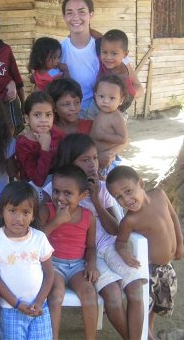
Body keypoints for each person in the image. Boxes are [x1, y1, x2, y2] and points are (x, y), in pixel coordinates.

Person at [44, 134, 147, 339]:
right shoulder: (55, 190)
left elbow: (114, 229)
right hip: (81, 255)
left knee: (135, 289)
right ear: (70, 162)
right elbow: (44, 225)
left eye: (94, 158)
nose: (92, 164)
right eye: (85, 159)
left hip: (109, 247)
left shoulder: (103, 187)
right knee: (114, 295)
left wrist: (97, 199)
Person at [106, 166, 184, 340]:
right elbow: (120, 243)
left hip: (166, 267)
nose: (126, 199)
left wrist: (180, 243)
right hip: (148, 270)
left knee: (157, 304)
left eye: (128, 191)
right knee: (145, 305)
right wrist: (125, 254)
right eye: (119, 197)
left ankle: (148, 330)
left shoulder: (159, 195)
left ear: (140, 183)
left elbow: (173, 217)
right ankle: (147, 336)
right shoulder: (130, 220)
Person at [0, 181, 54, 340]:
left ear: (33, 215)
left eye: (25, 212)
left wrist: (40, 301)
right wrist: (16, 304)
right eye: (13, 210)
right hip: (11, 309)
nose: (18, 218)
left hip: (39, 308)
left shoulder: (39, 238)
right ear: (2, 211)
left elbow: (49, 275)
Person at [60, 0, 143, 119]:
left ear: (91, 14)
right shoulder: (58, 52)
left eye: (82, 11)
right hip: (70, 120)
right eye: (69, 12)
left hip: (105, 117)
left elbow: (138, 89)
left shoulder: (109, 49)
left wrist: (114, 103)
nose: (75, 17)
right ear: (64, 17)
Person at [40, 165, 99, 340]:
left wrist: (92, 264)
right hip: (52, 263)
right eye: (56, 191)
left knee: (89, 293)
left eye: (68, 193)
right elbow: (35, 239)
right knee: (56, 293)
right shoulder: (47, 210)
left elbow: (91, 247)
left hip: (77, 266)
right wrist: (57, 221)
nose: (60, 197)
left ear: (83, 196)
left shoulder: (88, 216)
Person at [16, 91, 65, 196]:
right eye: (37, 115)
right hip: (33, 192)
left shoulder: (58, 135)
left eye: (48, 115)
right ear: (27, 118)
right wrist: (45, 148)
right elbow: (38, 181)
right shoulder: (23, 144)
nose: (43, 120)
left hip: (58, 187)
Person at [90, 74, 129, 175]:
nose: (105, 101)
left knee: (105, 185)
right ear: (95, 96)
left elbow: (123, 139)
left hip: (108, 160)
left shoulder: (116, 117)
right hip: (96, 157)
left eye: (112, 98)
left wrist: (104, 136)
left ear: (120, 100)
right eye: (101, 96)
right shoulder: (100, 112)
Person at [99, 29, 138, 112]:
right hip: (100, 106)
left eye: (114, 53)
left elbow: (130, 94)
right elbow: (100, 38)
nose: (108, 57)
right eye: (104, 52)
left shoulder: (121, 75)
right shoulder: (106, 63)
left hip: (115, 111)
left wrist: (116, 111)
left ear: (125, 54)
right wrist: (90, 31)